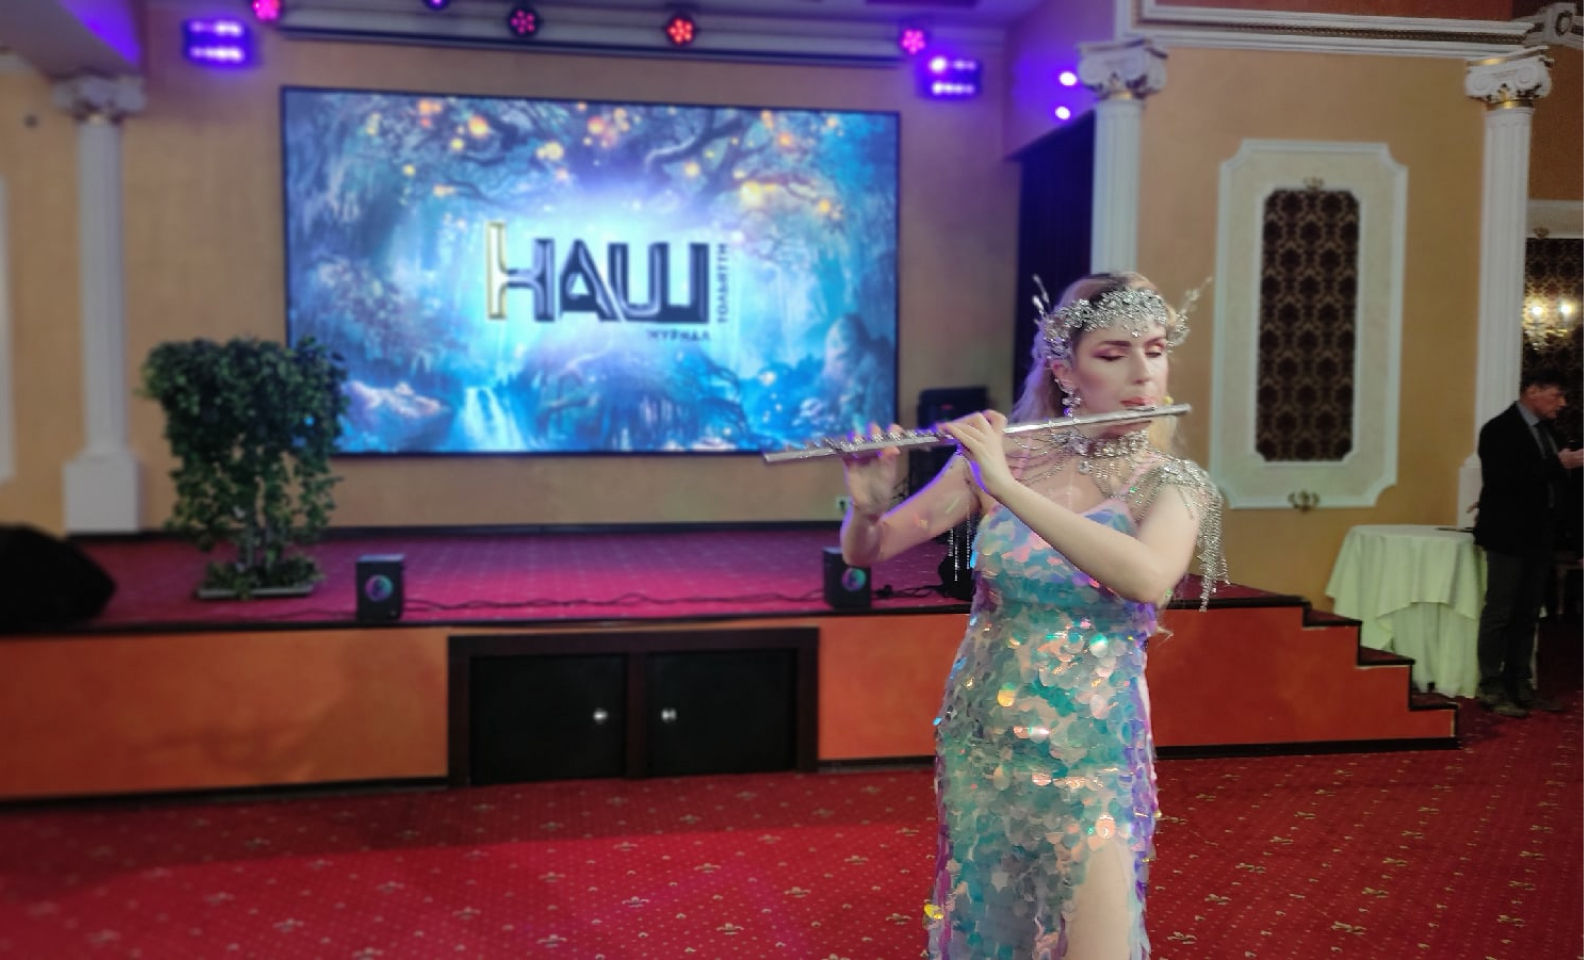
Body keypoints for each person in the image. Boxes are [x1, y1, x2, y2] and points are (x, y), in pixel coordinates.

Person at [840, 272, 1225, 959]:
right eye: (1114, 354)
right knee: (995, 937)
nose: (1143, 374)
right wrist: (866, 506)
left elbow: (1146, 576)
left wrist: (1007, 487)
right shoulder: (1004, 458)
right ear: (1065, 371)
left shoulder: (1173, 484)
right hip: (983, 741)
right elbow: (869, 550)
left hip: (1092, 751)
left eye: (1156, 350)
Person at [1473, 368, 1584, 718]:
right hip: (1508, 535)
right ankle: (1491, 687)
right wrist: (1557, 464)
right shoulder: (1498, 430)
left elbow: (1557, 487)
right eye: (1557, 395)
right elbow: (1504, 480)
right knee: (1500, 612)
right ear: (1532, 391)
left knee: (1528, 614)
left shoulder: (1549, 431)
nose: (1562, 403)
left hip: (1540, 536)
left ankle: (1520, 683)